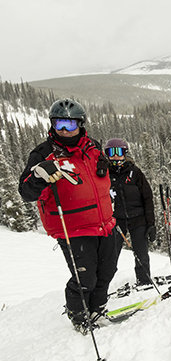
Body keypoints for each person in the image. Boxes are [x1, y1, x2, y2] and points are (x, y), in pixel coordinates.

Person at [18, 98, 118, 334]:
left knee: (107, 272)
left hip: (104, 223)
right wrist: (38, 176)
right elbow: (26, 193)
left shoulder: (92, 146)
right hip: (73, 227)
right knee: (85, 280)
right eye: (59, 124)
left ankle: (97, 309)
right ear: (52, 124)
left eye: (70, 125)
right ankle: (79, 315)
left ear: (81, 125)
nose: (64, 130)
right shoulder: (43, 153)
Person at [105, 138, 156, 286]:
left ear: (125, 153)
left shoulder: (134, 172)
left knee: (141, 254)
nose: (115, 156)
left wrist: (151, 223)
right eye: (111, 152)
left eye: (119, 152)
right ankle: (100, 290)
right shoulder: (104, 174)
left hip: (138, 220)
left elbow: (148, 197)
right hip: (115, 222)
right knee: (109, 257)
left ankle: (144, 282)